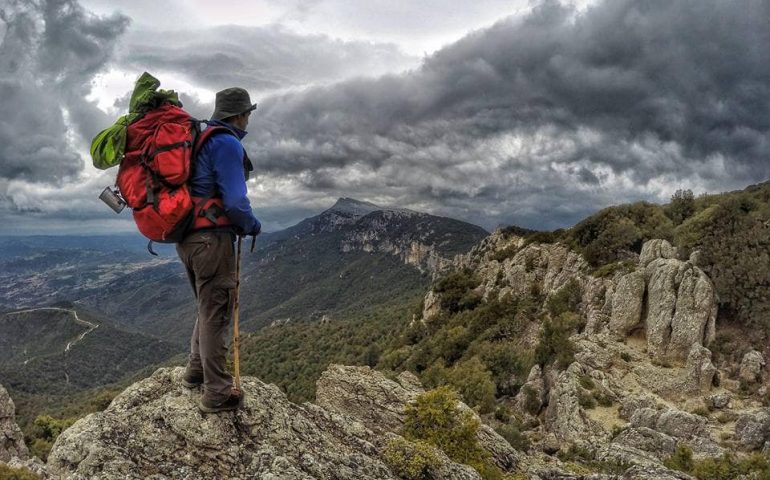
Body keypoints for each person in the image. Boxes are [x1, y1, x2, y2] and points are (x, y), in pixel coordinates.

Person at [176, 87, 261, 413]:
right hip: (212, 240)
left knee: (205, 306)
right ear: (240, 114)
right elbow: (237, 202)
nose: (248, 119)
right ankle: (217, 393)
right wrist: (252, 224)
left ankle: (196, 370)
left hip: (187, 239)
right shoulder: (226, 142)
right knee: (217, 313)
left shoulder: (199, 139)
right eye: (248, 114)